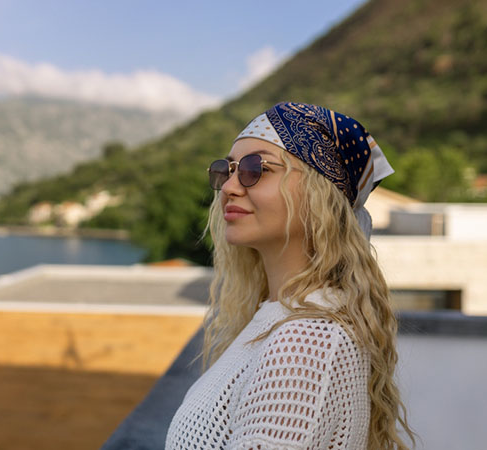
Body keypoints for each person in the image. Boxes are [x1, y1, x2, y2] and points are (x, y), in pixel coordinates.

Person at [165, 102, 415, 449]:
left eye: (256, 168)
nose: (228, 187)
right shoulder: (284, 317)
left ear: (320, 193)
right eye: (227, 170)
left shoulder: (305, 341)